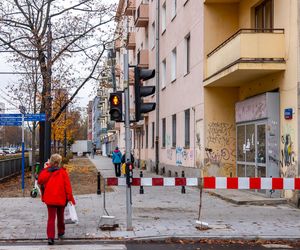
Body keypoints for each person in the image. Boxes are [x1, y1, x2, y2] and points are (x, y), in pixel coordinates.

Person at [38, 154, 76, 245]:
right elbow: (68, 187)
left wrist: (46, 168)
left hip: (50, 198)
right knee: (60, 216)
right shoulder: (63, 172)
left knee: (51, 218)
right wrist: (70, 198)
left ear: (51, 161)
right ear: (58, 162)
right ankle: (61, 232)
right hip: (61, 198)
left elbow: (40, 181)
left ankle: (50, 238)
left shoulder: (46, 171)